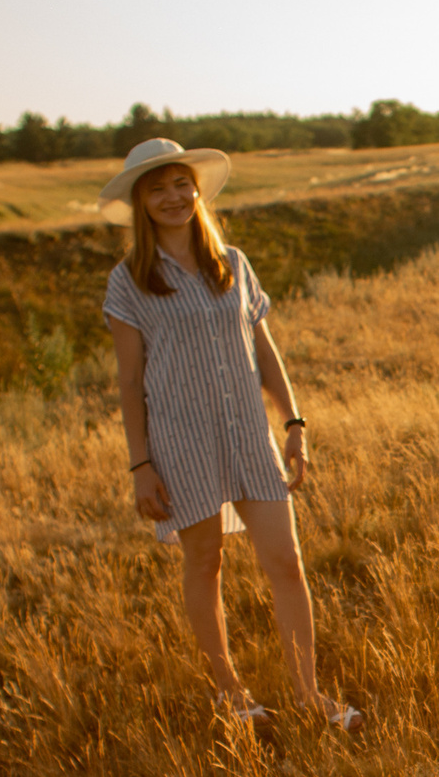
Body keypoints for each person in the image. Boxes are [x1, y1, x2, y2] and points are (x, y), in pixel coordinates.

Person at [100, 137, 360, 734]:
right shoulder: (129, 281)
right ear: (140, 201)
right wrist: (141, 465)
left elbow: (264, 350)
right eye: (157, 188)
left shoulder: (233, 263)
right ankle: (231, 693)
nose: (172, 196)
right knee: (205, 561)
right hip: (181, 443)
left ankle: (308, 694)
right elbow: (129, 378)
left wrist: (293, 422)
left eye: (180, 183)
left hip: (250, 433)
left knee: (286, 561)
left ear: (197, 189)